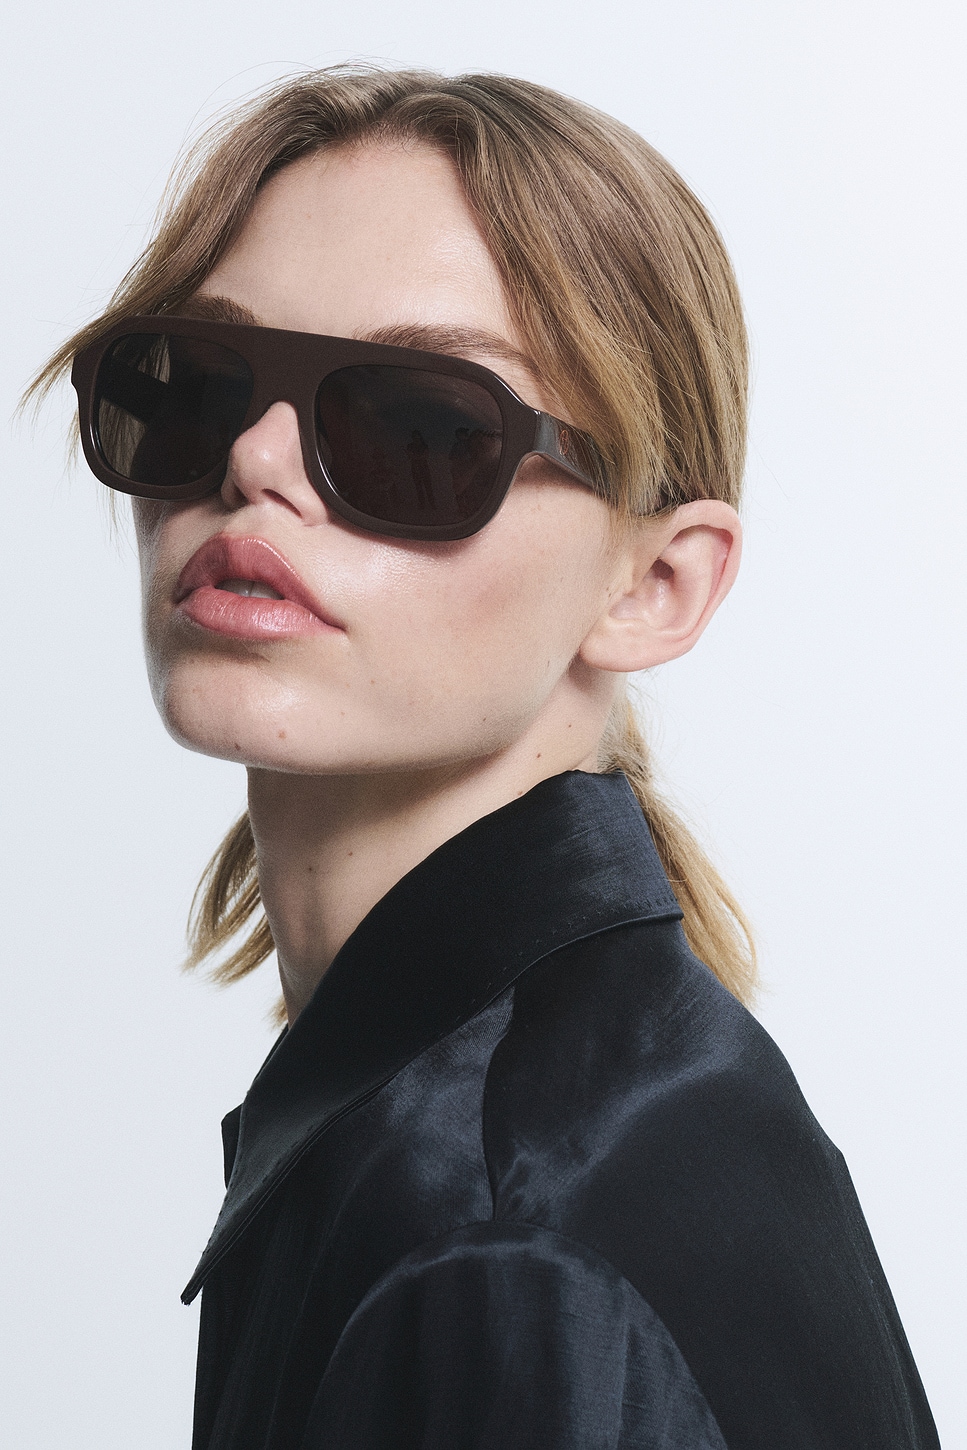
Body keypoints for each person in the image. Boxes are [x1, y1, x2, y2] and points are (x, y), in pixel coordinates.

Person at [33, 66, 939, 1450]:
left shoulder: (497, 1246)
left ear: (654, 586)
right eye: (198, 385)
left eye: (418, 427)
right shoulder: (572, 1097)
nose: (255, 461)